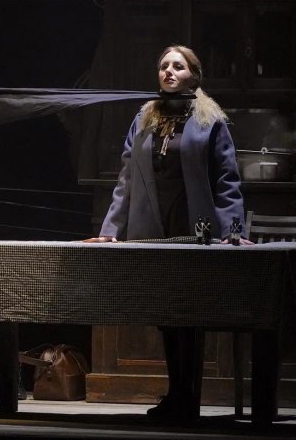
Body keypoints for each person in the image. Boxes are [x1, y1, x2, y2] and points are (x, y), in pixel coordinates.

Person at [84, 44, 253, 422]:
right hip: (153, 227)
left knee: (189, 312)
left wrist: (233, 230)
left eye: (178, 66)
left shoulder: (210, 118)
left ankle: (187, 396)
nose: (169, 72)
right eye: (164, 66)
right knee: (166, 313)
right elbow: (126, 179)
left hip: (195, 228)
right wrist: (111, 229)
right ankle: (177, 394)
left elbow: (227, 180)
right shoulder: (145, 116)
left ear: (194, 74)